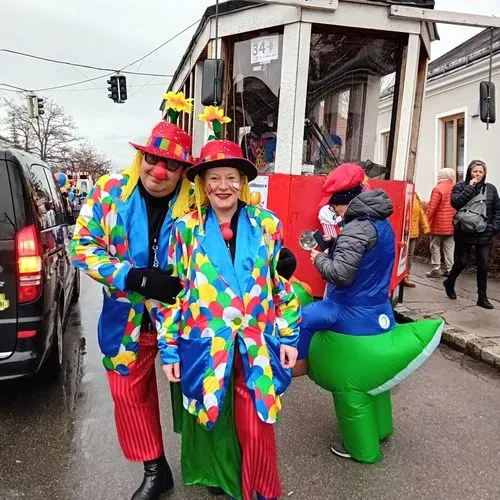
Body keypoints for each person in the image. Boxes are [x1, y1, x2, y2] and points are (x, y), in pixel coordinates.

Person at [154, 138, 301, 500]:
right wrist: (169, 350)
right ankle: (224, 482)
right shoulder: (185, 229)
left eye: (232, 177)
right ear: (203, 184)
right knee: (211, 417)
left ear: (243, 182)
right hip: (206, 343)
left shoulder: (267, 224)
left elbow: (278, 285)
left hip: (257, 342)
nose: (224, 186)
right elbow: (175, 292)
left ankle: (264, 493)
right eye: (215, 178)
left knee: (257, 425)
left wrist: (290, 336)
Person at [71, 116, 194, 500]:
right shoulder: (110, 193)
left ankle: (211, 466)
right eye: (151, 160)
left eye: (171, 165)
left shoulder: (198, 201)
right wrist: (132, 276)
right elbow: (82, 246)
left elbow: (238, 225)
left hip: (184, 317)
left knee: (203, 389)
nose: (159, 172)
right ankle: (155, 470)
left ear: (183, 171)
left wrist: (276, 256)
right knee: (128, 394)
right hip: (126, 319)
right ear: (139, 159)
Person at [296, 163, 443, 463]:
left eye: (334, 206)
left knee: (305, 318)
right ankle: (382, 428)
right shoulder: (379, 222)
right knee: (375, 388)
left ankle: (360, 446)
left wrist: (318, 258)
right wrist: (336, 243)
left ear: (344, 200)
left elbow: (340, 274)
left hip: (350, 315)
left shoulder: (355, 227)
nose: (334, 213)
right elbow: (365, 256)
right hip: (379, 313)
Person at [444, 160, 500, 309]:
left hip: (484, 232)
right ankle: (449, 282)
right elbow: (456, 203)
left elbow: (497, 210)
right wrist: (470, 186)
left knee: (483, 264)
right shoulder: (460, 187)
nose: (478, 174)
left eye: (480, 172)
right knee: (461, 261)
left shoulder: (491, 189)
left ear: (485, 173)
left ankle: (482, 297)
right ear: (469, 172)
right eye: (475, 171)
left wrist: (493, 228)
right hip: (464, 231)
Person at [426, 168, 456, 278]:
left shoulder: (438, 189)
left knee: (435, 246)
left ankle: (436, 268)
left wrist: (426, 221)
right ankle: (450, 269)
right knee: (449, 247)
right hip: (451, 224)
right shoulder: (455, 188)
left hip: (438, 225)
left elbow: (432, 208)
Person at [404, 193, 430, 287]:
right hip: (403, 231)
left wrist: (426, 227)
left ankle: (406, 276)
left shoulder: (415, 196)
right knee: (401, 255)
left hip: (412, 231)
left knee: (409, 256)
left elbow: (421, 213)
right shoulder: (406, 193)